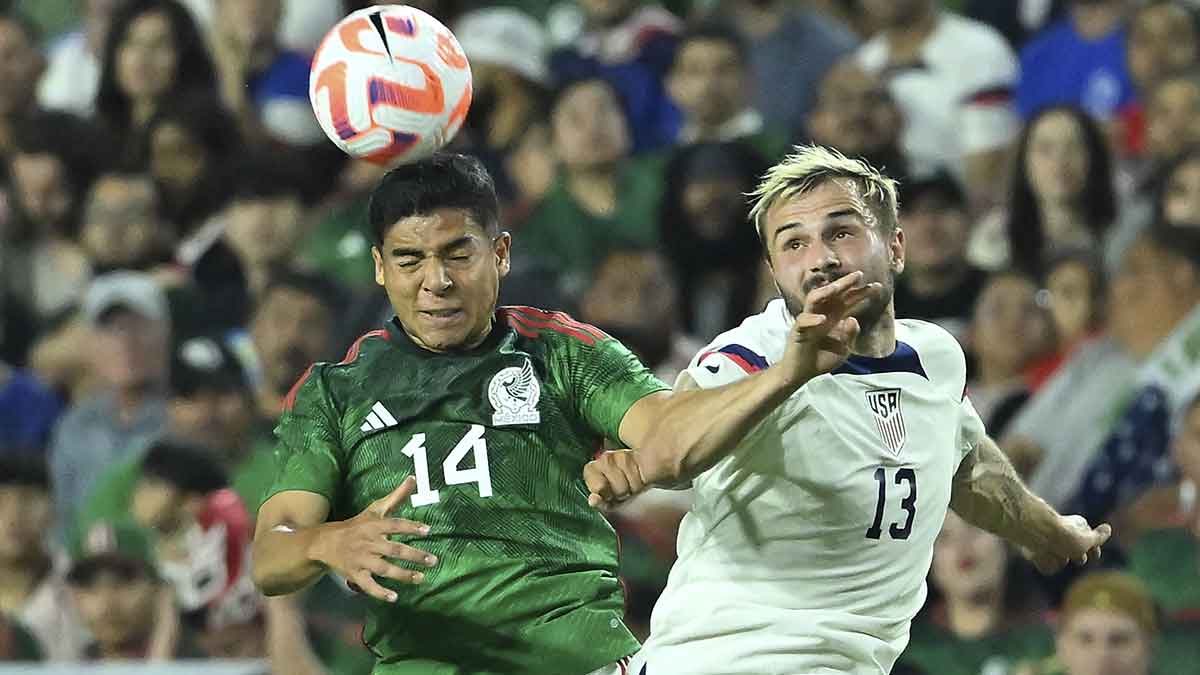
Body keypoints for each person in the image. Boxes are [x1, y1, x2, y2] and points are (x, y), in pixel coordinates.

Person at [251, 152, 862, 674]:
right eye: (409, 260)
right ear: (381, 268)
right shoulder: (335, 392)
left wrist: (789, 371)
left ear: (501, 253)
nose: (435, 281)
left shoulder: (564, 353)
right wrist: (329, 541)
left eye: (457, 254)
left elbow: (670, 440)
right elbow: (269, 553)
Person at [583, 145, 1111, 675]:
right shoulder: (755, 354)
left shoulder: (934, 357)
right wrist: (792, 373)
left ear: (896, 246)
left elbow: (968, 462)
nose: (821, 258)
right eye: (794, 243)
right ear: (772, 271)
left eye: (841, 231)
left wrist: (1047, 532)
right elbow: (666, 449)